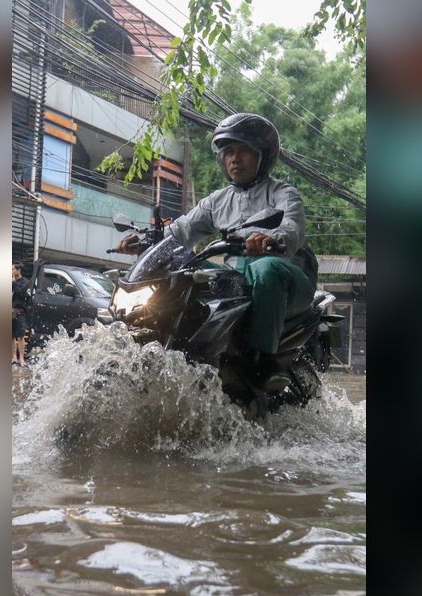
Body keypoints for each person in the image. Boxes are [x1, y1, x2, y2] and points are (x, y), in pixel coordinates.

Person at [118, 113, 317, 391]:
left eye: (244, 150)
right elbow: (181, 231)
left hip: (288, 280)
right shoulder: (218, 201)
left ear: (264, 155)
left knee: (265, 268)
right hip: (241, 279)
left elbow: (292, 228)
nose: (235, 159)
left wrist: (271, 237)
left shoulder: (283, 194)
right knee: (186, 270)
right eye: (229, 152)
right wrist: (145, 241)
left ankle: (262, 361)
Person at [10, 262, 30, 367]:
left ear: (18, 270)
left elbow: (21, 293)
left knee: (20, 336)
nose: (11, 272)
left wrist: (13, 282)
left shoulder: (25, 282)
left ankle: (21, 358)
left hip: (19, 312)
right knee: (11, 336)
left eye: (13, 269)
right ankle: (13, 357)